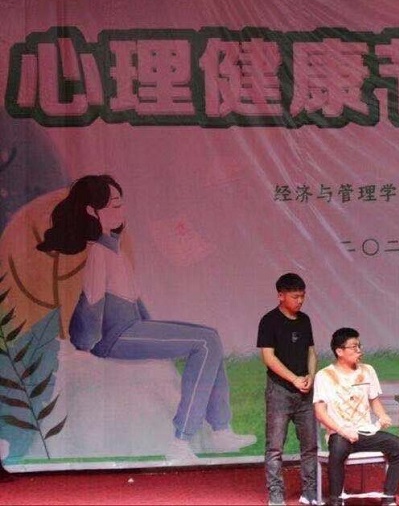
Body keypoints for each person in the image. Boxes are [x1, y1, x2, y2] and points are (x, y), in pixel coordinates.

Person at [37, 175, 256, 462]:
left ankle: (220, 430)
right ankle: (181, 440)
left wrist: (159, 337)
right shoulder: (99, 254)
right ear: (93, 211)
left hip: (133, 328)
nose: (122, 211)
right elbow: (91, 304)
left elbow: (136, 303)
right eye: (115, 205)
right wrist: (85, 346)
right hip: (114, 338)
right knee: (204, 343)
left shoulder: (115, 250)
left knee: (210, 337)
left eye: (121, 204)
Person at [313, 327, 399, 506]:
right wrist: (343, 431)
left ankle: (388, 497)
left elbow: (374, 401)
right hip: (339, 433)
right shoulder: (324, 376)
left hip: (365, 432)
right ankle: (335, 500)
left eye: (359, 346)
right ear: (339, 351)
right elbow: (320, 412)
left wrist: (382, 415)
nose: (359, 350)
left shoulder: (367, 370)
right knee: (338, 448)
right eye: (354, 347)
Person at [257, 273, 319, 506]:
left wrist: (310, 376)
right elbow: (268, 357)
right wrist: (293, 379)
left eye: (302, 296)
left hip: (305, 390)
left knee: (310, 446)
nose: (300, 301)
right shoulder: (269, 321)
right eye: (295, 296)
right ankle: (275, 494)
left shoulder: (305, 320)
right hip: (279, 391)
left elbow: (311, 352)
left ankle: (310, 491)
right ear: (280, 296)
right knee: (275, 447)